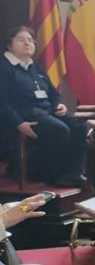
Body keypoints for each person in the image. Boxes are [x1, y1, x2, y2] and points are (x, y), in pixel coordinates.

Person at [0, 25, 86, 187]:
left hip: (46, 112)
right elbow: (2, 102)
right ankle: (53, 175)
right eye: (21, 40)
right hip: (24, 115)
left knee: (79, 127)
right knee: (59, 130)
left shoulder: (35, 66)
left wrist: (59, 104)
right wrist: (19, 123)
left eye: (30, 40)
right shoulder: (4, 68)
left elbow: (53, 93)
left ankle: (74, 173)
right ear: (9, 46)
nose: (27, 43)